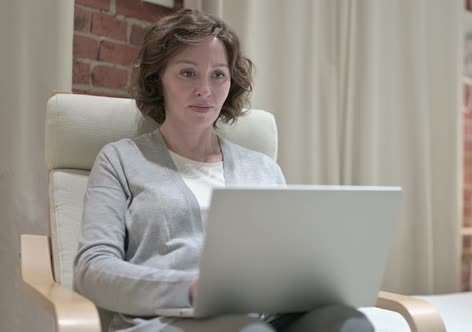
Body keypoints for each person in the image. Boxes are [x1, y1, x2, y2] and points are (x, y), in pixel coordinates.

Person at [74, 8, 374, 332]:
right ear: (157, 79)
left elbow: (285, 260)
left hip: (266, 314)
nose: (205, 89)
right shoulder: (120, 160)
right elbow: (93, 270)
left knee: (349, 324)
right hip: (168, 319)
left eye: (218, 74)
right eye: (188, 73)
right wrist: (188, 288)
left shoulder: (264, 169)